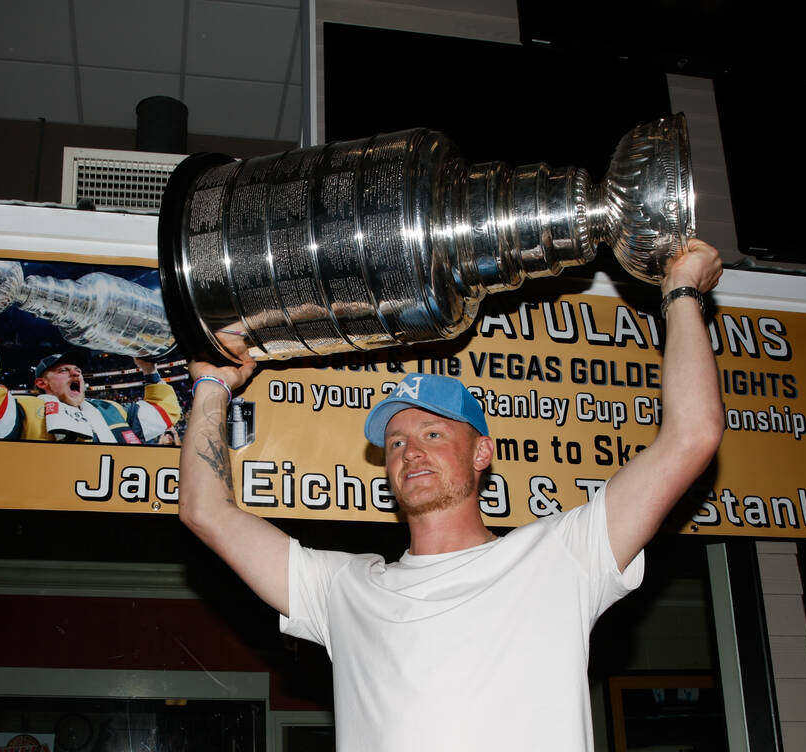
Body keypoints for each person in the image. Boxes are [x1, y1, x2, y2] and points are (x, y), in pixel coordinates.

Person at [177, 239, 725, 751]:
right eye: (396, 442)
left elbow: (691, 437)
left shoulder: (562, 557)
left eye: (433, 434)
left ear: (481, 453)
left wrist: (680, 290)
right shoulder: (343, 590)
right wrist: (211, 386)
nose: (410, 452)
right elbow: (206, 512)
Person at [0, 294, 181, 443]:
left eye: (77, 369)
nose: (76, 373)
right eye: (63, 370)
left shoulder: (110, 409)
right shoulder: (24, 409)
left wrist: (150, 371)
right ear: (42, 383)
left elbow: (165, 411)